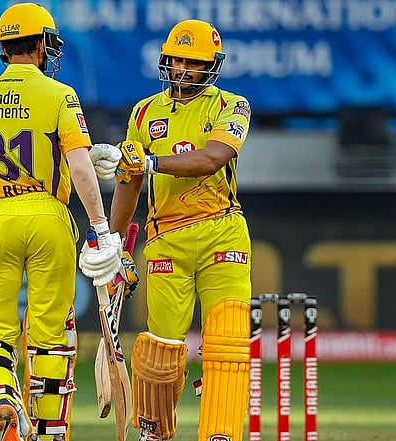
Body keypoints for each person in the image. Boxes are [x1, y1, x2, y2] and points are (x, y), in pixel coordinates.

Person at [0, 3, 125, 441]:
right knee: (51, 336)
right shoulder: (60, 94)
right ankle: (50, 430)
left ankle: (2, 397)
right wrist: (101, 228)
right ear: (39, 45)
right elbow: (78, 166)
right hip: (47, 215)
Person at [105, 19, 253, 441]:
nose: (184, 68)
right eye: (178, 59)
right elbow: (128, 182)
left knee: (227, 341)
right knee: (160, 355)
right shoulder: (144, 112)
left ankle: (220, 433)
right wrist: (113, 244)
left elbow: (212, 159)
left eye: (194, 62)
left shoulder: (232, 105)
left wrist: (151, 161)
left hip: (221, 230)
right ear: (165, 59)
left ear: (212, 66)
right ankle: (155, 432)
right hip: (166, 237)